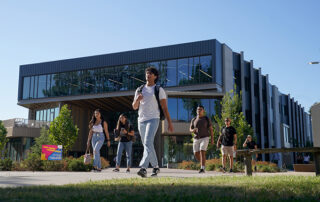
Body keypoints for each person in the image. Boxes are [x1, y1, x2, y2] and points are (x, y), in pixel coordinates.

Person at [132, 66, 174, 177]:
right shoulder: (139, 89)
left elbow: (165, 108)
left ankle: (143, 168)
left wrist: (169, 123)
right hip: (141, 120)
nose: (148, 74)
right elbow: (134, 107)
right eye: (147, 73)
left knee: (147, 141)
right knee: (148, 144)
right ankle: (156, 167)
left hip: (153, 119)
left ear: (155, 76)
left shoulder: (159, 90)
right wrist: (137, 100)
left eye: (151, 73)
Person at [190, 105, 214, 173]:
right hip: (196, 138)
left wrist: (212, 139)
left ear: (203, 111)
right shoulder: (194, 119)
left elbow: (211, 129)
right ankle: (203, 163)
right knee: (196, 154)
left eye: (200, 109)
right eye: (198, 109)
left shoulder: (206, 118)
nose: (199, 111)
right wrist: (193, 130)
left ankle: (202, 168)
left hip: (205, 137)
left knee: (202, 151)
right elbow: (190, 129)